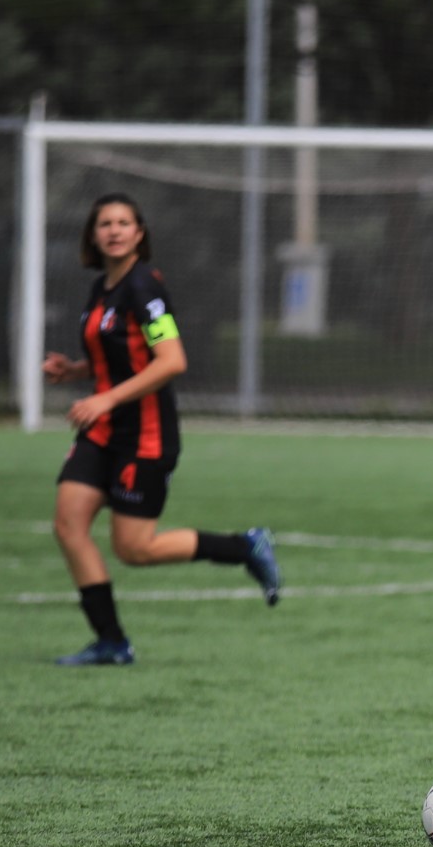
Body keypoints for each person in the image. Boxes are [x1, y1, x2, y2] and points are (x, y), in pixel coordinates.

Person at [42, 192, 280, 666]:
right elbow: (115, 355)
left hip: (144, 434)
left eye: (123, 222)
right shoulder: (102, 288)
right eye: (104, 223)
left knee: (135, 549)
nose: (113, 230)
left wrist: (106, 396)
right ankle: (111, 642)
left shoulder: (144, 287)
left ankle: (244, 546)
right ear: (93, 234)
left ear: (139, 233)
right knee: (69, 525)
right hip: (102, 430)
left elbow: (171, 361)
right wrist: (76, 371)